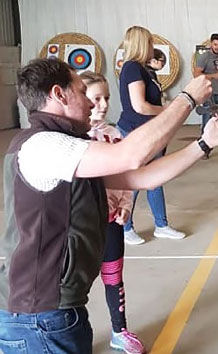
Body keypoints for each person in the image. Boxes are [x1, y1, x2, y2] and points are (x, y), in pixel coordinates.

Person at [0, 57, 218, 353]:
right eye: (82, 93)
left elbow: (142, 177)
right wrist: (187, 98)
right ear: (59, 95)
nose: (91, 105)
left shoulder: (65, 148)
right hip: (39, 317)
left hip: (53, 313)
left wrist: (203, 143)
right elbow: (131, 155)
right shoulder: (42, 146)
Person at [80, 71, 145, 354]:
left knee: (113, 277)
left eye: (106, 97)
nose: (104, 104)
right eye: (96, 99)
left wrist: (126, 206)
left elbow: (127, 176)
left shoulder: (114, 135)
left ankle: (119, 331)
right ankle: (73, 332)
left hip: (111, 223)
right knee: (75, 283)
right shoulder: (73, 139)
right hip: (81, 227)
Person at [117, 26, 184, 245]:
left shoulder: (144, 70)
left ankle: (161, 225)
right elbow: (140, 106)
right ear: (140, 44)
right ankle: (124, 228)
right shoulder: (132, 68)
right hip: (137, 132)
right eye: (149, 43)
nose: (152, 48)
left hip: (151, 131)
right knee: (135, 182)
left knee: (155, 179)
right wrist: (169, 110)